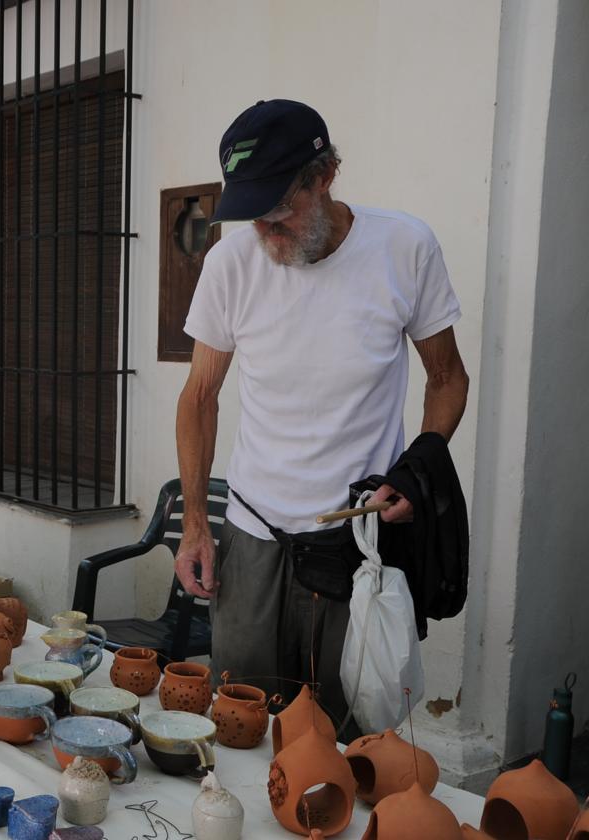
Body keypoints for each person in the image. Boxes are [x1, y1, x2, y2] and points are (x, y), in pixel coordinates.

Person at [174, 100, 469, 731]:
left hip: (357, 541)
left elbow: (448, 379)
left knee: (349, 731)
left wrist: (418, 468)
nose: (267, 234)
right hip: (252, 536)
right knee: (238, 723)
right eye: (253, 218)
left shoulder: (404, 247)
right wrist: (197, 524)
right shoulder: (231, 264)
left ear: (325, 174)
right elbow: (200, 395)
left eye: (279, 212)